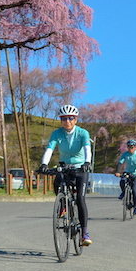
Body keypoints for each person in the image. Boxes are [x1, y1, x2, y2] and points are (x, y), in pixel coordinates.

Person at [38, 104, 93, 245]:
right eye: (63, 119)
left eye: (70, 118)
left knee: (80, 198)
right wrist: (44, 164)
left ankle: (85, 233)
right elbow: (50, 149)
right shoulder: (57, 133)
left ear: (75, 119)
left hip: (80, 168)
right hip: (64, 166)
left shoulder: (83, 133)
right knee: (57, 182)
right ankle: (63, 204)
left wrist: (87, 162)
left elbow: (88, 149)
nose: (67, 121)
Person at [116, 138, 136, 215]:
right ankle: (124, 193)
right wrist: (118, 172)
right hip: (127, 172)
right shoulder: (125, 154)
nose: (130, 149)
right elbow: (120, 163)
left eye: (132, 147)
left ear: (135, 147)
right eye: (128, 147)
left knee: (134, 190)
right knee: (122, 181)